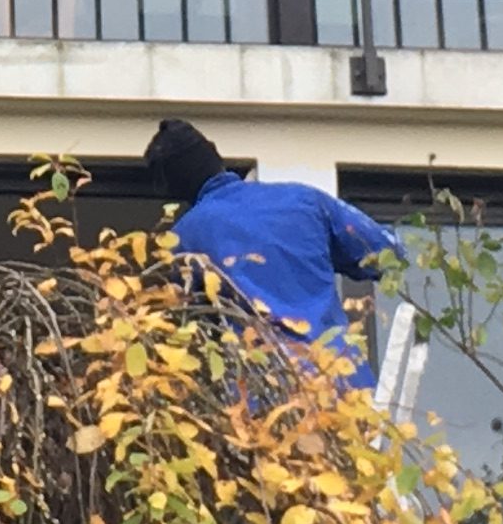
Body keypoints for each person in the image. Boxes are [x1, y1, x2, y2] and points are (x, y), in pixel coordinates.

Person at [142, 116, 400, 380]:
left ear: (175, 187)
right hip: (343, 382)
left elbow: (174, 330)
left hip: (267, 390)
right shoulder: (304, 199)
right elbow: (388, 253)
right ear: (216, 160)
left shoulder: (184, 238)